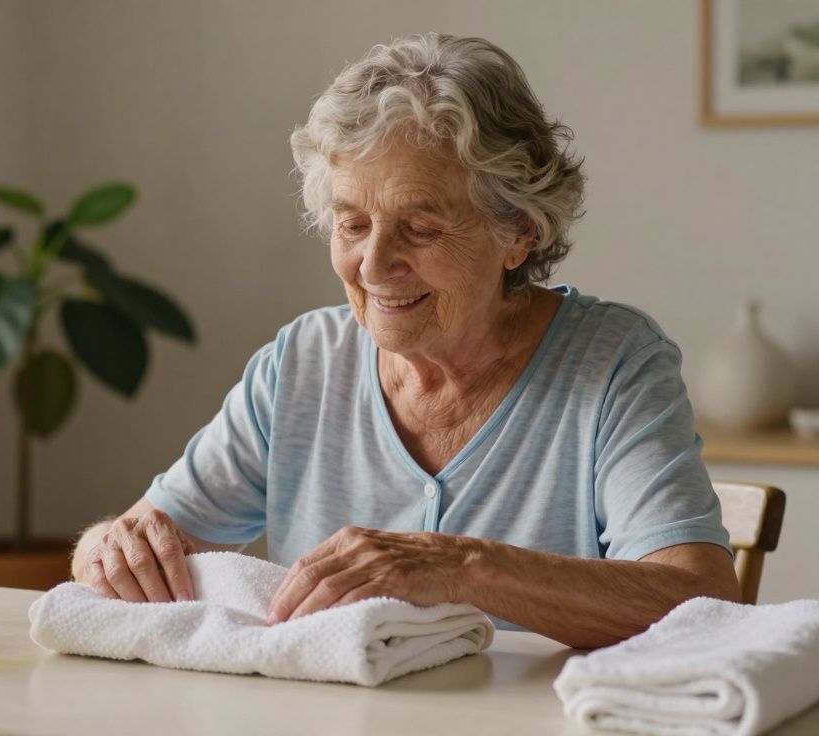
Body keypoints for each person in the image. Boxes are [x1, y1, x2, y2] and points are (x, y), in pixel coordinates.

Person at [69, 33, 740, 649]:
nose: (372, 263)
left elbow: (699, 600)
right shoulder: (303, 364)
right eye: (352, 223)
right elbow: (135, 547)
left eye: (419, 227)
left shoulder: (614, 361)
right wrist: (107, 549)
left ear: (519, 233)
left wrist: (461, 568)